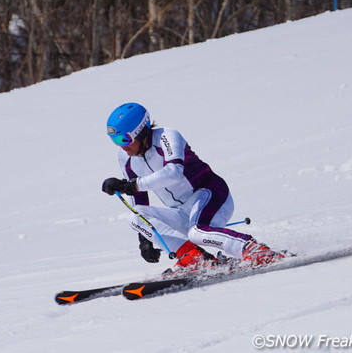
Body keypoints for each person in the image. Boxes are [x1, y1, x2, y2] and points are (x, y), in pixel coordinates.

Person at [101, 102, 282, 272]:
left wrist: (133, 185)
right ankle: (194, 257)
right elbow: (139, 199)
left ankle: (256, 251)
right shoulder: (125, 157)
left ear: (140, 131)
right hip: (181, 211)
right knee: (134, 216)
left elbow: (174, 172)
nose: (121, 145)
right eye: (114, 140)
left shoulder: (166, 136)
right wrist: (145, 238)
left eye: (123, 139)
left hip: (210, 194)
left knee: (198, 232)